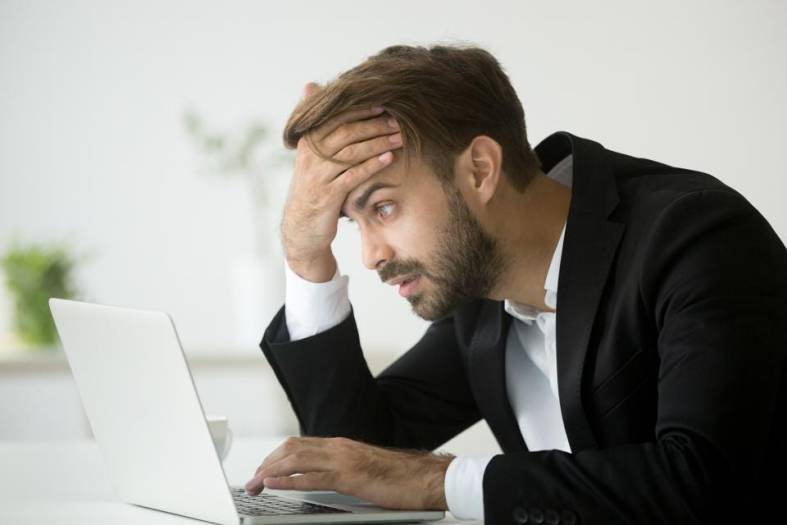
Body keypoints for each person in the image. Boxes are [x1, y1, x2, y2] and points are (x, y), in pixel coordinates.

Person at [244, 44, 787, 524]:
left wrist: (437, 482)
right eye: (352, 223)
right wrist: (304, 254)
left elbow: (701, 483)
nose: (371, 256)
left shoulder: (696, 238)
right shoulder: (481, 288)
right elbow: (359, 459)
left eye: (383, 208)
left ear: (480, 170)